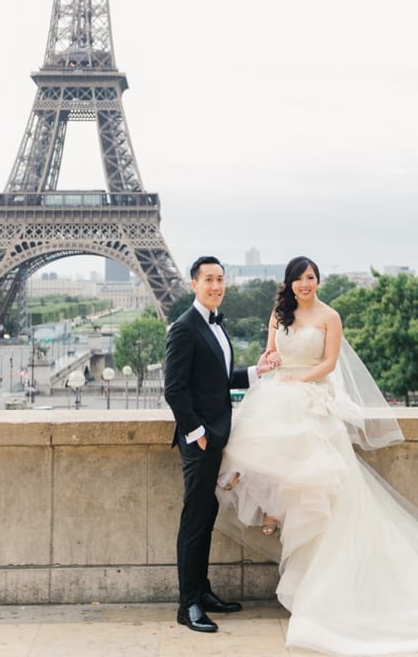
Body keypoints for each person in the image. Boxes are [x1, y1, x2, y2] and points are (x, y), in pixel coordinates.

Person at [216, 255, 418, 655]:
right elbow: (269, 356)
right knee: (264, 461)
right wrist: (271, 365)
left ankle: (319, 583)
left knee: (323, 496)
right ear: (289, 283)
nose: (304, 285)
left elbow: (328, 364)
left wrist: (297, 377)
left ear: (318, 281)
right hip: (279, 398)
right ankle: (275, 515)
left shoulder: (331, 316)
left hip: (312, 403)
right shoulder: (279, 315)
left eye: (310, 278)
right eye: (298, 279)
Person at [163, 254, 280, 634]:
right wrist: (196, 435)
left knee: (205, 517)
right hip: (201, 441)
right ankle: (189, 604)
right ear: (193, 284)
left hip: (218, 435)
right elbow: (174, 389)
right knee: (195, 521)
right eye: (208, 280)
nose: (216, 286)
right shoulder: (184, 327)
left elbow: (217, 378)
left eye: (220, 279)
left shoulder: (212, 324)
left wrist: (254, 373)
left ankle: (203, 591)